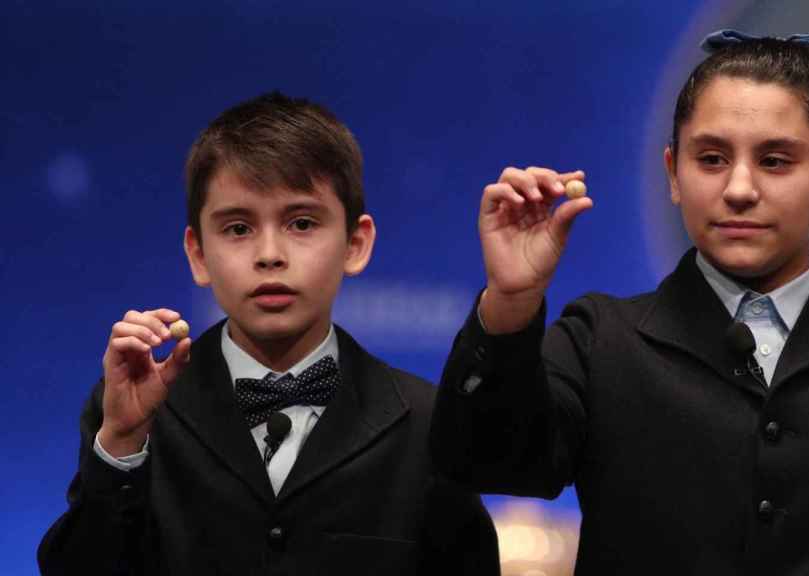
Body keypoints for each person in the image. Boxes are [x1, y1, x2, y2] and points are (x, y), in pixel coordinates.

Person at [429, 30, 809, 574]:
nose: (738, 189)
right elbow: (480, 461)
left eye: (775, 161)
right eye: (710, 159)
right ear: (673, 173)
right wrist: (511, 299)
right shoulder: (601, 340)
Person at [39, 92, 499, 575]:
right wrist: (122, 444)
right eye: (238, 228)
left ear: (355, 244)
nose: (269, 254)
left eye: (301, 223)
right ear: (198, 254)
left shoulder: (428, 424)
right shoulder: (134, 412)